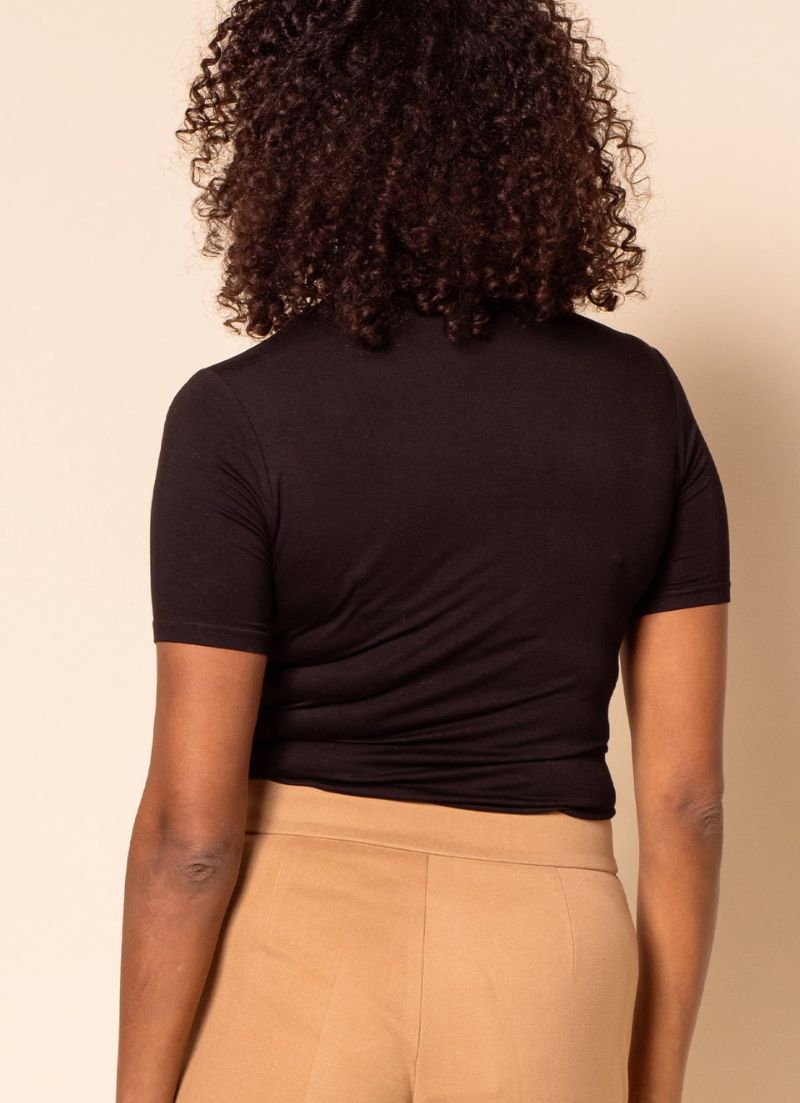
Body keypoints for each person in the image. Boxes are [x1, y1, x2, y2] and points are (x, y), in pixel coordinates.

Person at [117, 3, 731, 1102]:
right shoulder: (642, 404)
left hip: (292, 949)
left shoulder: (236, 415)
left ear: (290, 146)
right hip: (548, 954)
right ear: (537, 138)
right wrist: (649, 1081)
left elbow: (191, 835)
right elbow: (685, 801)